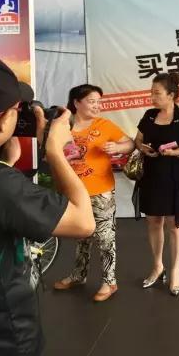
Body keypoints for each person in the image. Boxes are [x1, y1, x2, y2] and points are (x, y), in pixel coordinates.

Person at [0, 54, 95, 356]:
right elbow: (83, 223)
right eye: (17, 111)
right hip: (0, 337)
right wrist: (55, 150)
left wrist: (3, 164)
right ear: (5, 118)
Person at [53, 84, 134, 302]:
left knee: (105, 237)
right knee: (81, 236)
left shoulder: (104, 125)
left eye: (99, 102)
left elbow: (129, 143)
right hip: (74, 191)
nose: (97, 106)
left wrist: (118, 148)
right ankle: (79, 275)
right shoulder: (63, 126)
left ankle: (110, 282)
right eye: (92, 101)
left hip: (101, 191)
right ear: (76, 102)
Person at [135, 72, 179, 296]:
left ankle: (175, 270)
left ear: (171, 95)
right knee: (154, 222)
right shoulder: (149, 115)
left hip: (175, 177)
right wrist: (143, 148)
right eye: (151, 93)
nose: (152, 97)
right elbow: (138, 139)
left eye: (157, 93)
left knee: (174, 224)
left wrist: (176, 152)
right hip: (151, 175)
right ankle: (157, 266)